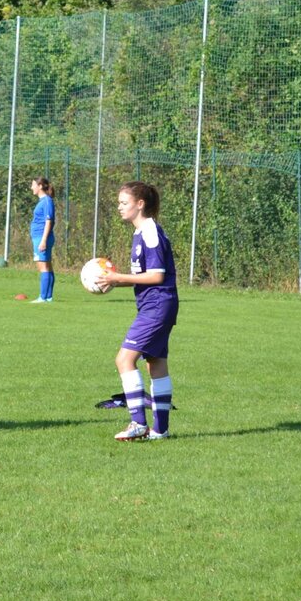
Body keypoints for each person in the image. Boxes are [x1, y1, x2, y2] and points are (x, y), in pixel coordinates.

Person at [97, 181, 178, 441]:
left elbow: (156, 276)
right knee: (156, 363)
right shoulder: (141, 232)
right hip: (158, 304)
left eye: (124, 202)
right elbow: (145, 277)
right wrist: (115, 281)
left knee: (124, 360)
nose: (119, 207)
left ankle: (138, 424)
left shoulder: (150, 232)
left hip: (157, 305)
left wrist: (118, 277)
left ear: (140, 204)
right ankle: (161, 430)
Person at [29, 177, 57, 302]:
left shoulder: (46, 201)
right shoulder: (43, 201)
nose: (31, 187)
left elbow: (48, 221)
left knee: (43, 267)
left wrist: (43, 240)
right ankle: (48, 297)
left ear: (40, 186)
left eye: (33, 185)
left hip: (41, 237)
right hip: (39, 237)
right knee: (48, 266)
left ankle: (43, 297)